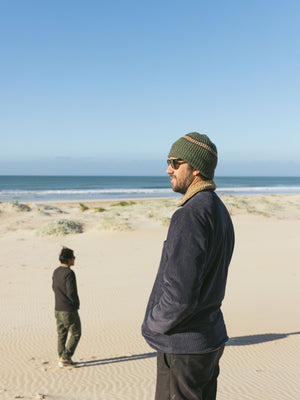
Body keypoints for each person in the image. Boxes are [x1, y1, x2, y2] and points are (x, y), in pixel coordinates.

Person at [142, 132, 235, 400]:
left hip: (184, 346)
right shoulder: (218, 210)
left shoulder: (190, 215)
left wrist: (153, 323)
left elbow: (180, 296)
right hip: (207, 340)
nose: (167, 169)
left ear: (195, 168)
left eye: (175, 162)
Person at [52, 247, 81, 368]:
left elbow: (54, 287)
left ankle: (62, 357)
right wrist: (76, 304)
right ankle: (65, 357)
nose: (74, 259)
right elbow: (71, 292)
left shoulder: (56, 271)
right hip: (68, 309)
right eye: (73, 257)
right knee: (76, 333)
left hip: (58, 308)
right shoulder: (69, 273)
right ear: (68, 259)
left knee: (62, 334)